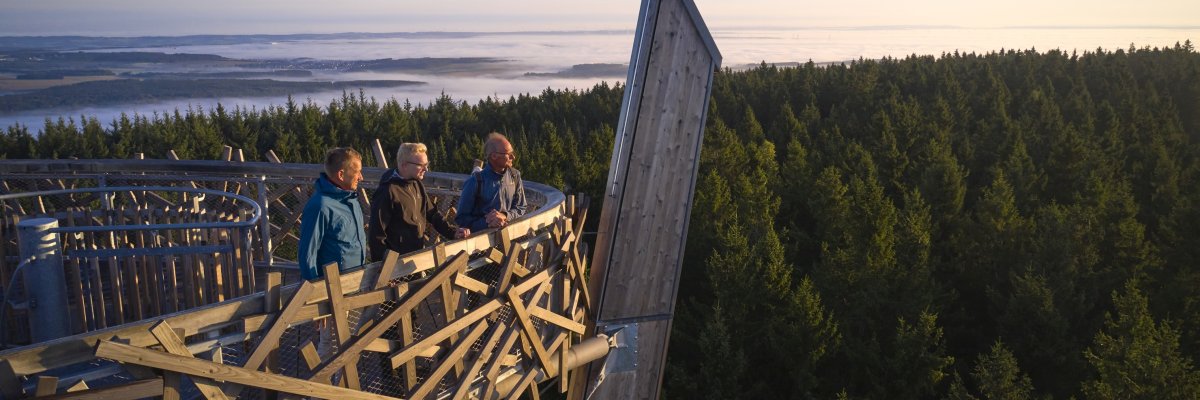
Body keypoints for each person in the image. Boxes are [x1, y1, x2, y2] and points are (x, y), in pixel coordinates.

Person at [368, 143, 469, 260]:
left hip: (415, 257)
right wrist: (384, 266)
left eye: (427, 164)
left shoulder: (417, 184)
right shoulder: (388, 191)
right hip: (395, 264)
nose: (426, 169)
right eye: (421, 165)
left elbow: (432, 214)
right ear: (404, 165)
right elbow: (376, 233)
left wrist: (453, 232)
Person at [297, 147, 367, 281]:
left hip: (356, 282)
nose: (361, 177)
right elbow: (307, 254)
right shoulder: (320, 206)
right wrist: (315, 293)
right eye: (357, 172)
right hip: (333, 289)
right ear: (341, 175)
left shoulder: (352, 200)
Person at [456, 132, 528, 230]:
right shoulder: (475, 182)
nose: (513, 157)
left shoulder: (515, 175)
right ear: (494, 156)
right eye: (509, 154)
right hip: (480, 242)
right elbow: (461, 219)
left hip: (508, 241)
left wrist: (504, 215)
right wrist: (487, 223)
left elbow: (521, 207)